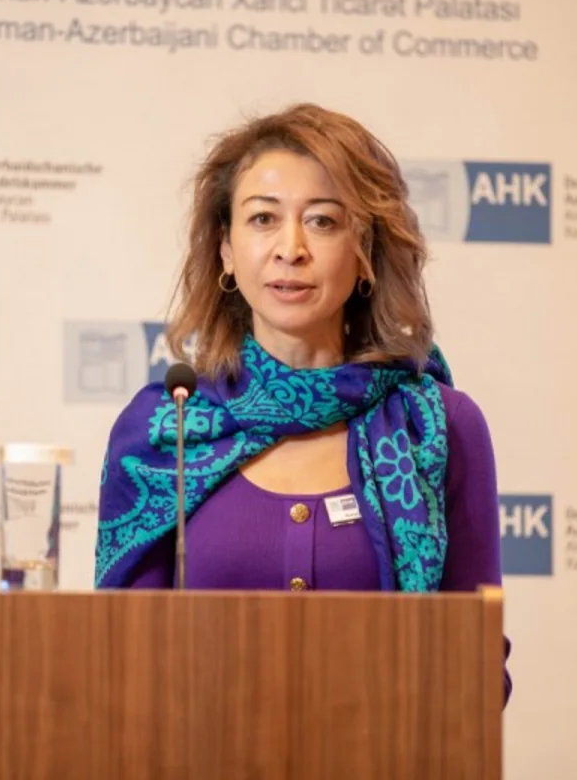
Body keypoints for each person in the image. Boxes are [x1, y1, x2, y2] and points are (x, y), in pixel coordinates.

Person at [94, 102, 511, 703]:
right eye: (263, 219)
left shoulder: (436, 425)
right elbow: (121, 660)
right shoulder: (166, 429)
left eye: (322, 221)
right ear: (226, 249)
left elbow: (475, 668)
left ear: (364, 251)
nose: (290, 248)